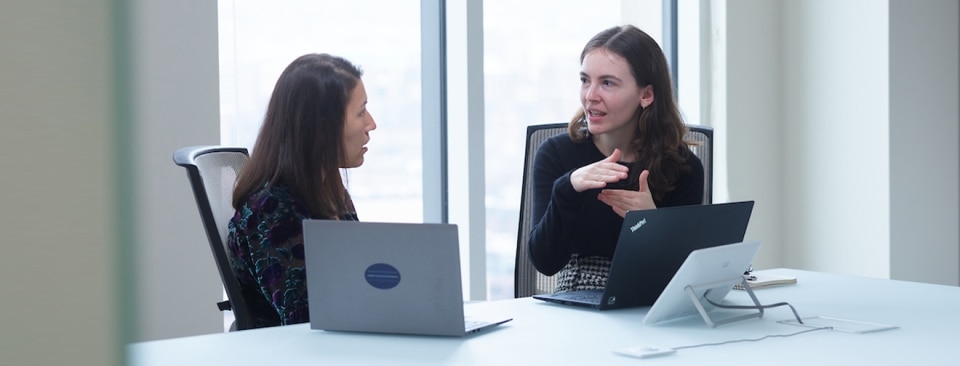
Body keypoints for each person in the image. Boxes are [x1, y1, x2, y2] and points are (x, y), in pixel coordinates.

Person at [527, 25, 704, 293]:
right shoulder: (556, 154)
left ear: (646, 95)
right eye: (585, 80)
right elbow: (545, 262)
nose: (590, 95)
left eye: (607, 83)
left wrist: (653, 224)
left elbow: (685, 274)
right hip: (578, 299)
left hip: (649, 301)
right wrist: (568, 188)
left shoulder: (683, 167)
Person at [227, 53, 376, 327]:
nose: (371, 124)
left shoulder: (326, 190)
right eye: (360, 112)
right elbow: (306, 322)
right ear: (321, 128)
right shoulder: (271, 210)